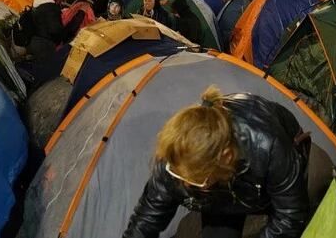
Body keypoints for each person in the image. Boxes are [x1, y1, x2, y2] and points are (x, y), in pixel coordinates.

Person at [122, 86, 311, 238]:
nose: (185, 184)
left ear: (226, 157)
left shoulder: (267, 145)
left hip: (279, 167)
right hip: (221, 191)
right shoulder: (175, 157)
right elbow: (146, 218)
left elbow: (290, 217)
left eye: (196, 180)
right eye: (178, 175)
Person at [28, 0, 84, 83]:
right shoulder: (50, 7)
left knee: (40, 74)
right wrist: (75, 22)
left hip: (37, 43)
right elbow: (56, 31)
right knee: (46, 78)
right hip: (45, 46)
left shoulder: (39, 1)